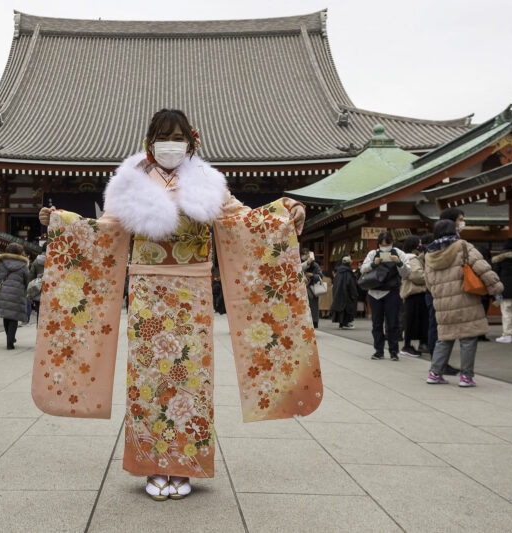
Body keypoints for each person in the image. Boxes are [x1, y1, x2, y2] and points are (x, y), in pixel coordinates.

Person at [34, 108, 321, 502]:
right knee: (149, 380)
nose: (171, 145)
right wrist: (63, 222)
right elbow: (103, 231)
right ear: (149, 143)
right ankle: (151, 463)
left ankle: (184, 464)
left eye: (178, 137)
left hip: (193, 296)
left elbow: (244, 221)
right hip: (148, 294)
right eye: (163, 137)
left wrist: (285, 212)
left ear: (191, 142)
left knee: (190, 378)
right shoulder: (130, 183)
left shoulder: (207, 183)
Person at [424, 220, 503, 386]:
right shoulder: (463, 246)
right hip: (466, 299)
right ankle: (466, 377)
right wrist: (496, 287)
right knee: (468, 338)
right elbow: (482, 267)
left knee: (444, 338)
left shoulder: (430, 253)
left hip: (443, 304)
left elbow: (429, 282)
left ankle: (434, 373)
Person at [360, 231, 411, 361]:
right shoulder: (372, 254)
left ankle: (394, 351)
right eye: (382, 245)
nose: (384, 248)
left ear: (392, 243)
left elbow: (407, 273)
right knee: (376, 323)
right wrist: (373, 264)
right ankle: (379, 351)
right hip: (374, 292)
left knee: (393, 323)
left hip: (392, 292)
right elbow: (362, 269)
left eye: (387, 244)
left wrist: (398, 262)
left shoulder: (399, 253)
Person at [0, 243, 30, 349]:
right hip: (18, 294)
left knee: (6, 316)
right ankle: (10, 341)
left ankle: (9, 338)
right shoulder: (23, 265)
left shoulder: (1, 263)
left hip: (3, 292)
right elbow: (28, 280)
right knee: (14, 318)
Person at [399, 235, 428, 357]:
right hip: (414, 292)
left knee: (413, 321)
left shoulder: (409, 259)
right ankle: (407, 346)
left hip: (411, 293)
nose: (420, 246)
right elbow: (416, 276)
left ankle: (409, 345)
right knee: (411, 321)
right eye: (419, 243)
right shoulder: (412, 259)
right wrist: (429, 277)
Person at [330, 255, 357, 329]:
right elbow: (351, 284)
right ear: (349, 263)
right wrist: (354, 293)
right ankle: (346, 323)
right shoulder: (348, 272)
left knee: (340, 307)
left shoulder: (338, 271)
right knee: (346, 308)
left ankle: (341, 323)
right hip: (346, 293)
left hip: (338, 293)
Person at [301, 249, 322, 328]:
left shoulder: (315, 265)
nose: (305, 255)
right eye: (304, 254)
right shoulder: (298, 263)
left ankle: (313, 324)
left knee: (313, 308)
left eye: (307, 254)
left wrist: (312, 275)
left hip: (312, 290)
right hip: (301, 290)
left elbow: (320, 276)